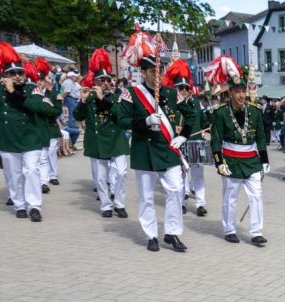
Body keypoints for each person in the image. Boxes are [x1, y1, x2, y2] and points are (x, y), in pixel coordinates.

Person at [113, 28, 195, 252]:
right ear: (144, 72)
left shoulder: (170, 93)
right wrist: (145, 121)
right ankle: (151, 235)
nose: (155, 75)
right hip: (145, 150)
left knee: (176, 190)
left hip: (168, 150)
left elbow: (192, 113)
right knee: (147, 197)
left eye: (158, 71)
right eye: (151, 71)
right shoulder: (132, 93)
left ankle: (172, 232)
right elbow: (121, 120)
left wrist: (183, 136)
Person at [0, 41, 57, 222]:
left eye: (20, 73)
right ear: (5, 75)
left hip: (30, 137)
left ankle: (34, 205)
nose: (18, 76)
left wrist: (12, 92)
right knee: (14, 174)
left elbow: (37, 107)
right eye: (13, 74)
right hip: (7, 138)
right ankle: (19, 204)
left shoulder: (31, 88)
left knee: (31, 171)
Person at [209, 56, 270, 246]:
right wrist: (219, 163)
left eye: (244, 91)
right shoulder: (220, 113)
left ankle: (256, 232)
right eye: (237, 92)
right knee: (230, 197)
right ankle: (229, 229)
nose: (242, 95)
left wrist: (265, 159)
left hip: (251, 159)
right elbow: (216, 140)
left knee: (256, 196)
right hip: (231, 159)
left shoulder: (255, 111)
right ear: (230, 93)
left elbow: (260, 136)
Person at [75, 48, 130, 218]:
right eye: (102, 80)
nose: (106, 83)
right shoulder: (89, 97)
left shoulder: (118, 96)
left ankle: (119, 203)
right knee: (100, 176)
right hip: (97, 139)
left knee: (121, 172)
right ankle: (106, 205)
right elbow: (78, 116)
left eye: (108, 80)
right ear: (95, 82)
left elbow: (118, 113)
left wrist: (102, 99)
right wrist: (82, 102)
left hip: (116, 139)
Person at [164, 60, 210, 217]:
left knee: (198, 175)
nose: (183, 90)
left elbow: (205, 122)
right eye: (180, 88)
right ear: (174, 89)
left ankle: (200, 204)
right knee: (181, 176)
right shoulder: (169, 106)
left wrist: (208, 126)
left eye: (186, 88)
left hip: (195, 143)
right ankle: (182, 203)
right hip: (178, 145)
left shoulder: (196, 104)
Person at [34, 59, 63, 188]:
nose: (39, 83)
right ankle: (43, 180)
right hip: (37, 128)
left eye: (41, 80)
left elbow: (57, 111)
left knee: (50, 153)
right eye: (37, 80)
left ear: (45, 81)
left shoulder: (54, 94)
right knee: (41, 156)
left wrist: (47, 109)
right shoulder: (33, 94)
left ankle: (53, 175)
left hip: (50, 127)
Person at [61, 70, 81, 148]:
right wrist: (61, 99)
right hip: (71, 99)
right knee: (72, 116)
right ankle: (72, 128)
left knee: (73, 116)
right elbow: (66, 92)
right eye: (74, 76)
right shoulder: (68, 81)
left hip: (73, 99)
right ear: (71, 76)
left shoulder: (71, 82)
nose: (75, 77)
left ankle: (72, 128)